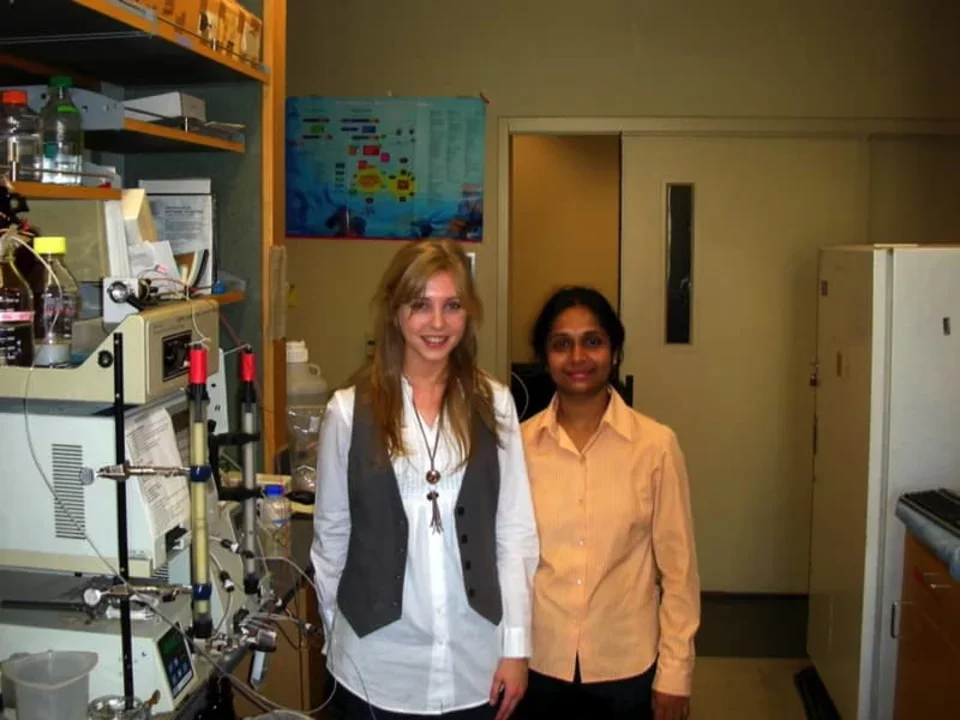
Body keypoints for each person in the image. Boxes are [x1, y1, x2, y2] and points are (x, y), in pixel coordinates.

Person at [311, 239, 540, 720]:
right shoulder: (348, 412)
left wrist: (516, 647)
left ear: (468, 313)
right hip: (376, 665)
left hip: (474, 661)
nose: (437, 324)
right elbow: (331, 536)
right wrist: (338, 635)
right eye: (421, 306)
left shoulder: (496, 405)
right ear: (396, 312)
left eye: (452, 306)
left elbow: (514, 534)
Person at [519, 286, 700, 720]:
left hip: (628, 666)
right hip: (536, 661)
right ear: (545, 358)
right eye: (562, 344)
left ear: (615, 353)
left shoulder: (656, 446)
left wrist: (675, 673)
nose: (577, 356)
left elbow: (679, 571)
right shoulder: (517, 448)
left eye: (593, 341)